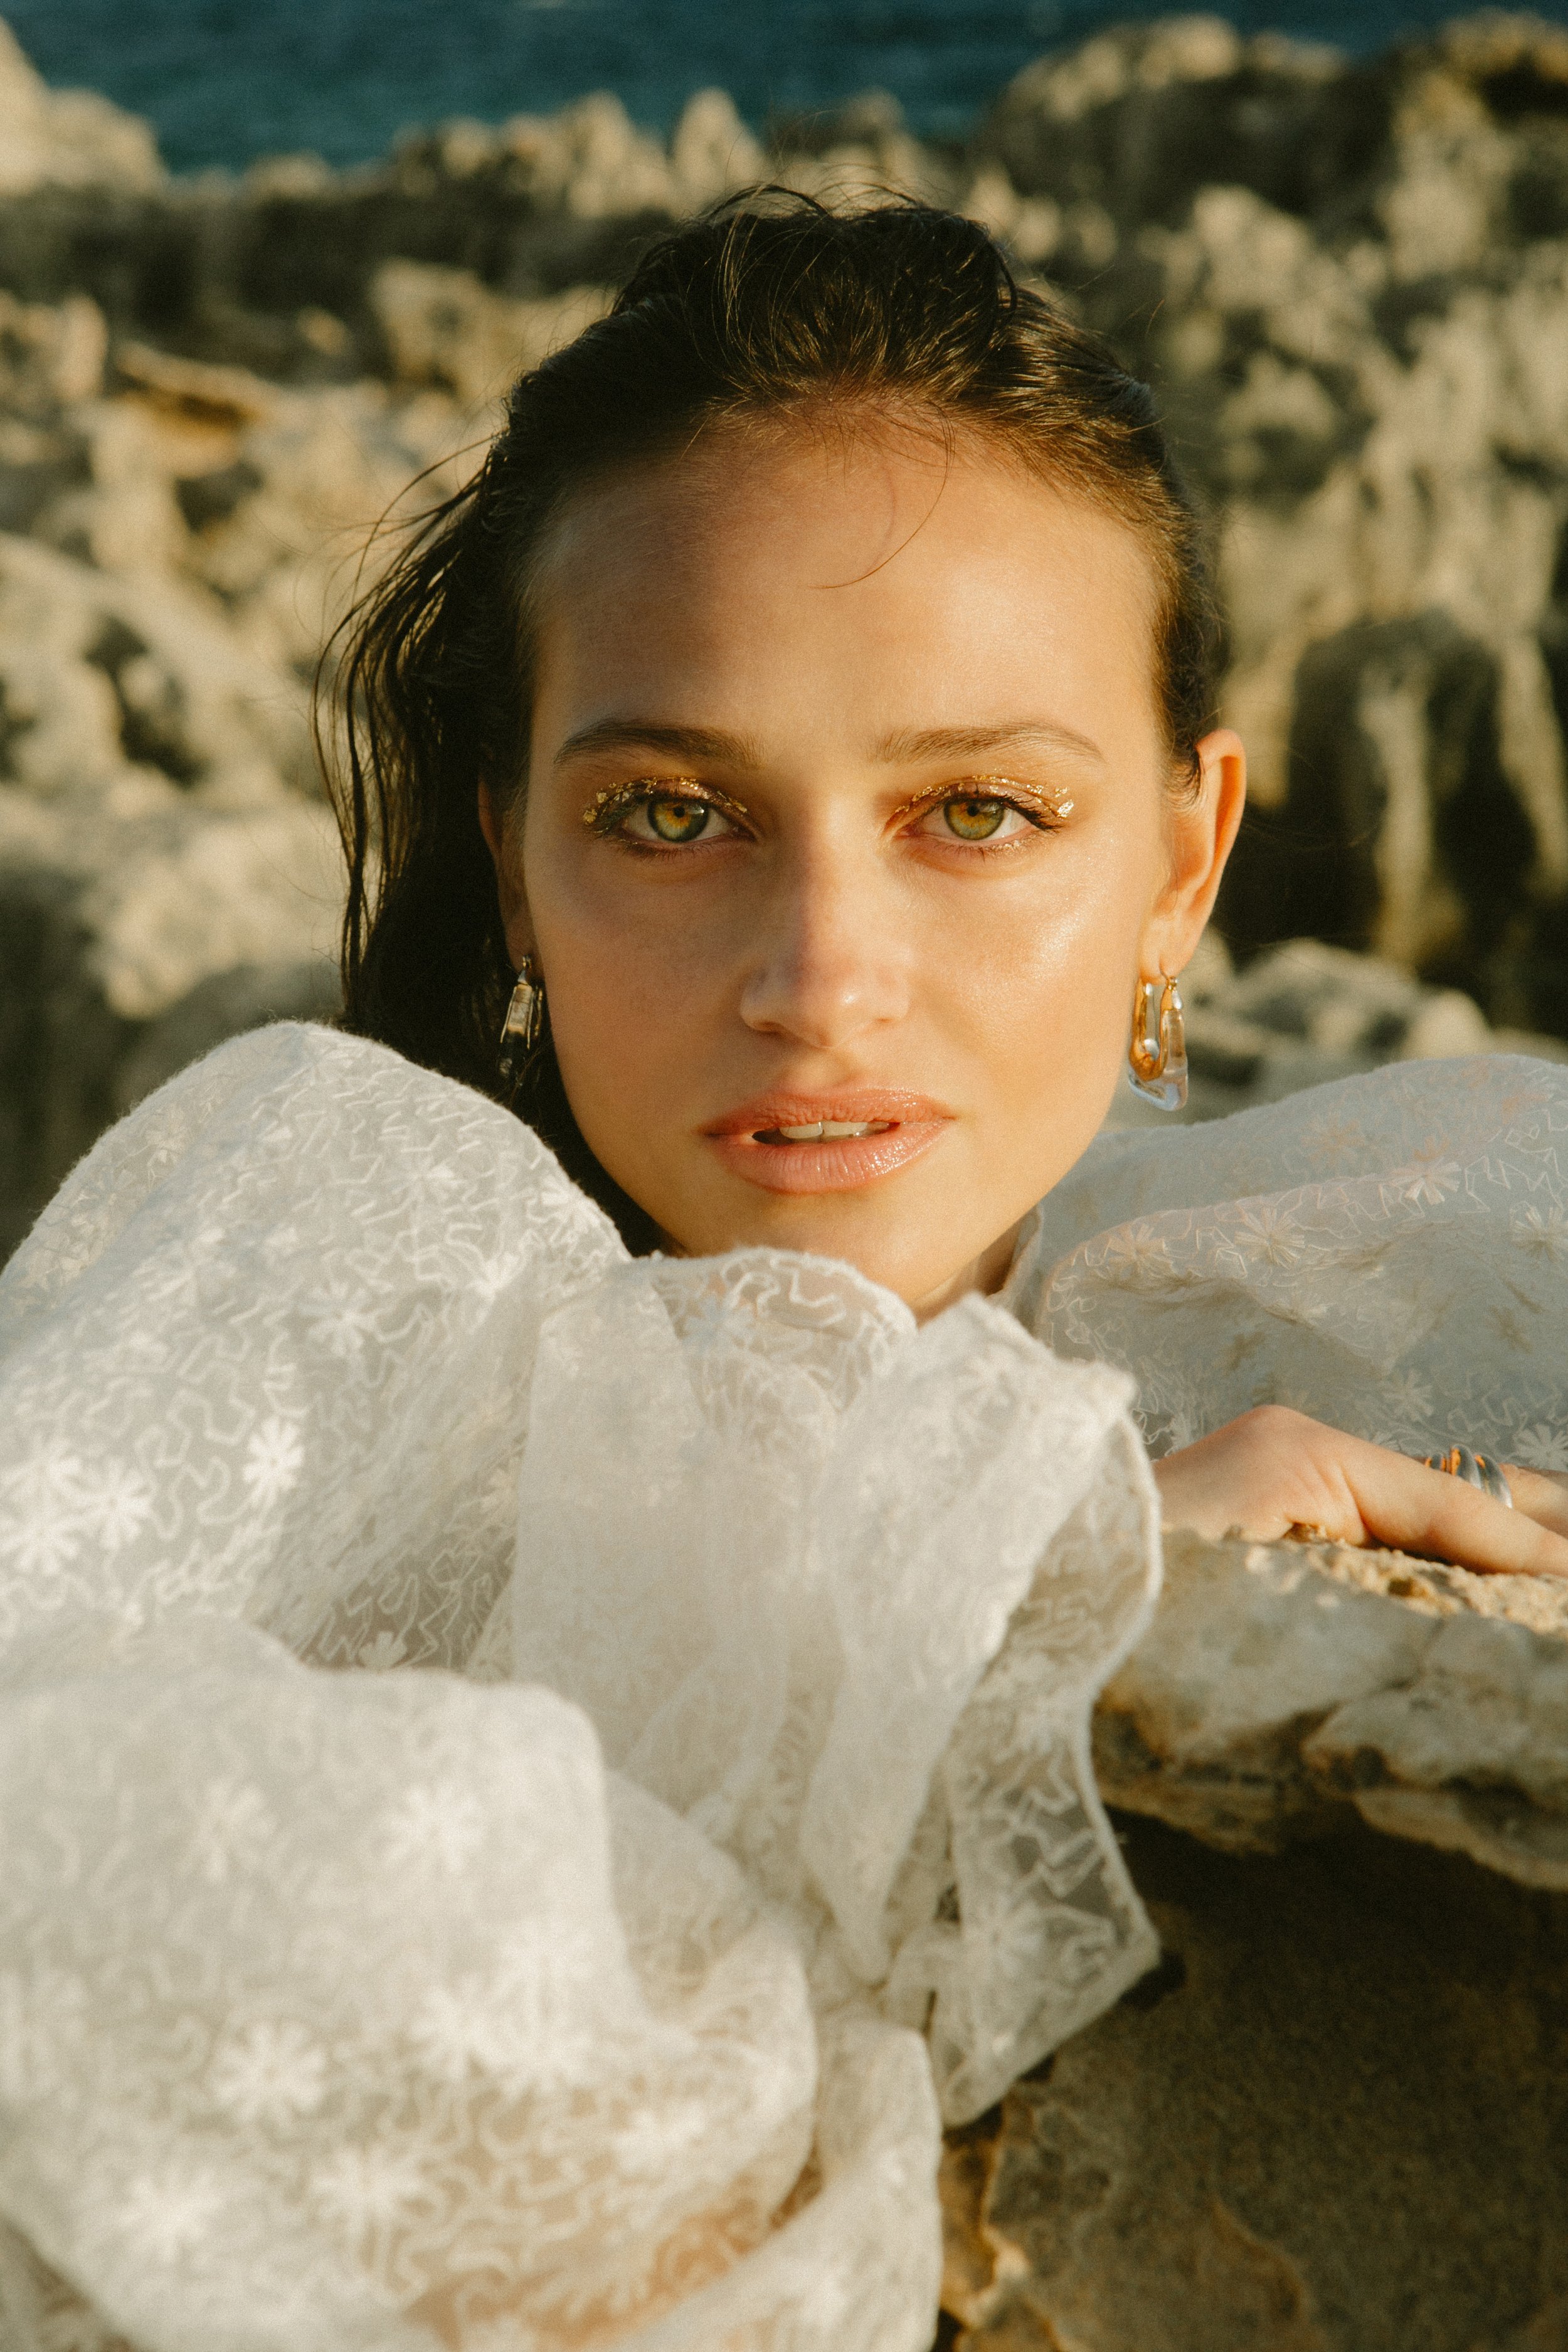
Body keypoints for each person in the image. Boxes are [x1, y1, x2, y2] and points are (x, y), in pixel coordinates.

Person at [0, 196, 1563, 2351]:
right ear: (509, 859)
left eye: (980, 817)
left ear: (1181, 867)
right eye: (667, 815)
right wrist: (981, 1606)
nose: (821, 985)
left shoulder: (1374, 1283)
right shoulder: (337, 1296)